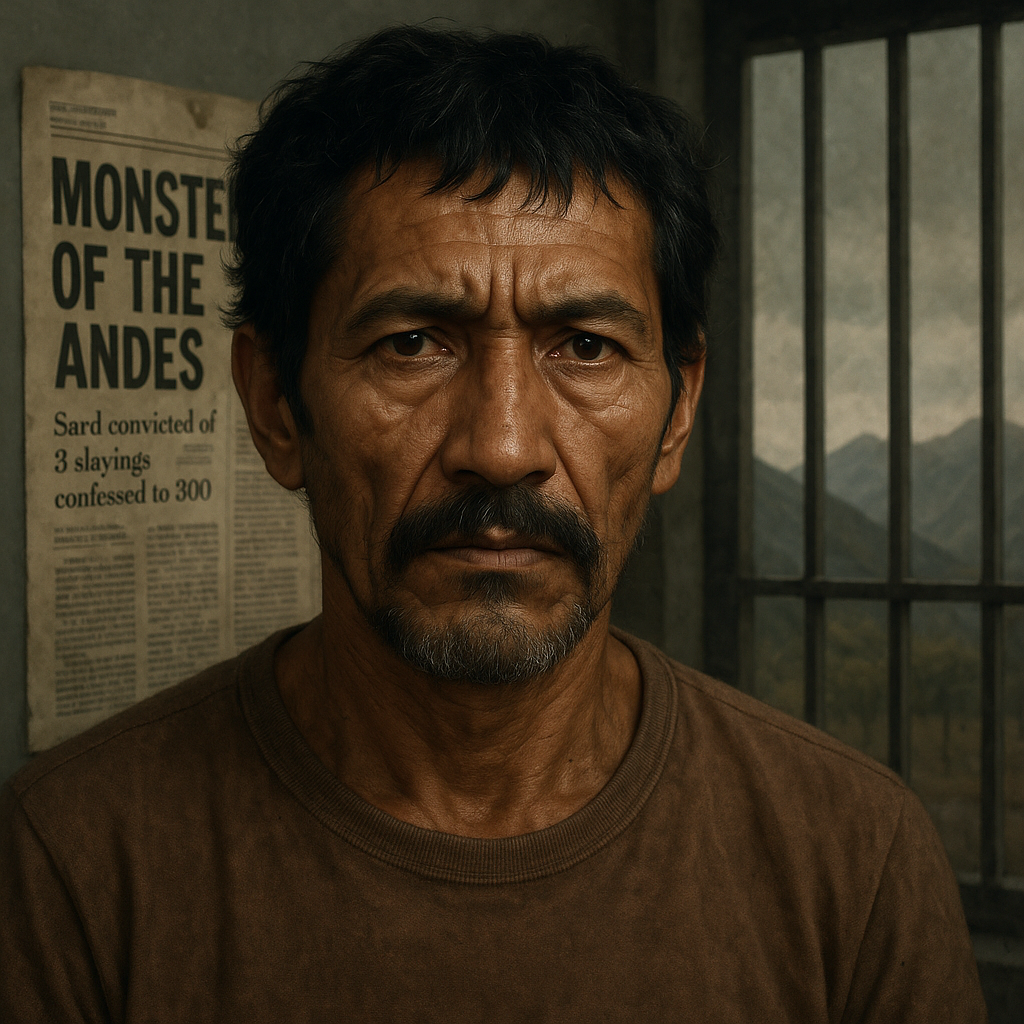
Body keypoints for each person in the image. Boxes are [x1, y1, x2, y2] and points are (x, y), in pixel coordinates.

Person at [1, 26, 986, 1022]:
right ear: (273, 404)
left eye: (586, 347)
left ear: (677, 411)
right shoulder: (70, 868)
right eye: (415, 343)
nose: (505, 445)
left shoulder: (851, 862)